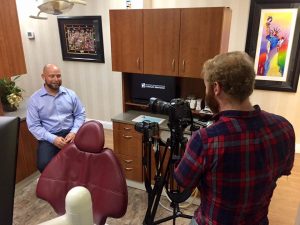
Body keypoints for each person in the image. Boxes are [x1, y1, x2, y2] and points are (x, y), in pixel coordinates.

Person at [174, 51, 295, 225]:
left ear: (216, 88)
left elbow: (182, 181)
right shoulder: (284, 128)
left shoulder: (205, 139)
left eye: (206, 86)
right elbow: (284, 170)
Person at [27, 64, 86, 172]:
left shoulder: (71, 94)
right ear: (43, 77)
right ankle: (56, 184)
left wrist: (74, 132)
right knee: (43, 164)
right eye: (51, 76)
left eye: (58, 76)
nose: (56, 79)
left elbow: (80, 114)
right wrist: (53, 139)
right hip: (49, 136)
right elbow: (34, 126)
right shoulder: (34, 100)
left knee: (84, 159)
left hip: (71, 133)